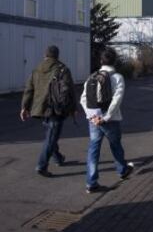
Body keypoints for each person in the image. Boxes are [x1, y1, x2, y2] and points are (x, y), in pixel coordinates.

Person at [80, 47, 133, 194]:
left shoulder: (92, 77)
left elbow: (83, 99)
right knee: (115, 145)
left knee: (93, 148)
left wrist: (92, 116)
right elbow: (117, 100)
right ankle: (122, 170)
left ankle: (91, 183)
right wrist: (105, 118)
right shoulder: (117, 77)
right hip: (110, 119)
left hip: (93, 118)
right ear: (114, 61)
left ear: (101, 61)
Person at [20, 45, 77, 177]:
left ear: (45, 55)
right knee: (51, 136)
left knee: (51, 134)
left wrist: (24, 108)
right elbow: (70, 90)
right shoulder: (63, 69)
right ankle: (42, 165)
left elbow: (29, 89)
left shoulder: (36, 69)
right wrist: (73, 108)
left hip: (40, 109)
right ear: (57, 56)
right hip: (56, 109)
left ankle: (57, 158)